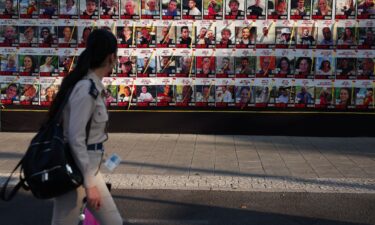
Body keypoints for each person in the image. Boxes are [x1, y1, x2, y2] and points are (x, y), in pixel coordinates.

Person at [47, 29, 123, 225]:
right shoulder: (85, 89)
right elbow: (75, 137)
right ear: (111, 57)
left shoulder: (92, 86)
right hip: (77, 170)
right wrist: (89, 183)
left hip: (88, 168)